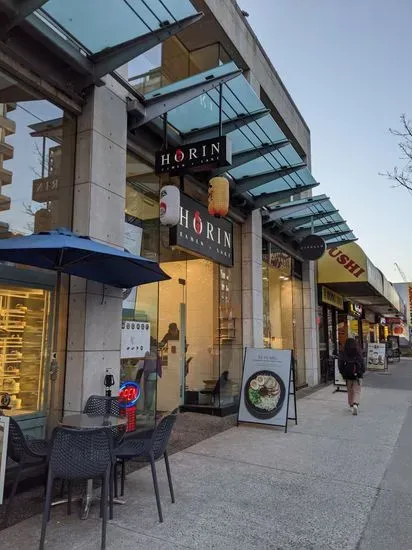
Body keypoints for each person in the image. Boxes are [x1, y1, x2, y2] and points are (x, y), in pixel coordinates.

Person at [338, 338, 365, 415]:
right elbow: (362, 362)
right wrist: (362, 371)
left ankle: (351, 405)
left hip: (347, 374)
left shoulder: (343, 352)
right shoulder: (358, 351)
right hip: (358, 374)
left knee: (350, 390)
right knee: (357, 390)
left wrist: (342, 373)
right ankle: (355, 404)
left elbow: (340, 364)